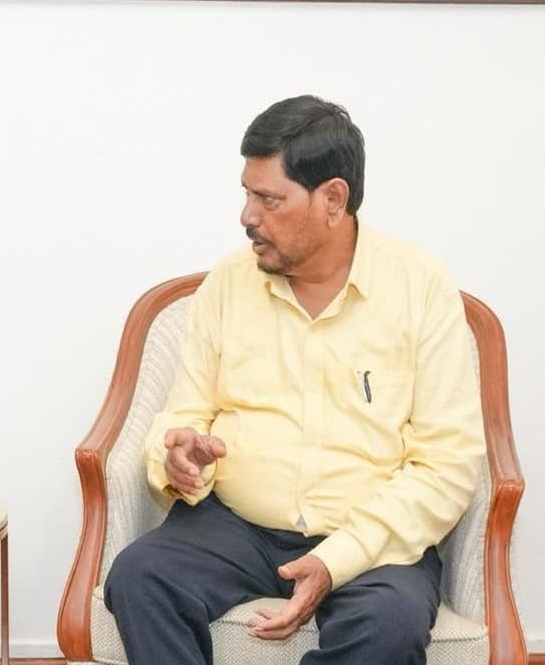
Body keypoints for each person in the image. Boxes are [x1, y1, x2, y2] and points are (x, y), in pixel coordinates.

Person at [104, 95, 484, 664]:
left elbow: (448, 464)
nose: (246, 216)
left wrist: (339, 558)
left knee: (389, 626)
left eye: (268, 198)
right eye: (246, 193)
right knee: (141, 576)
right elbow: (185, 413)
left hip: (370, 537)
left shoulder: (420, 287)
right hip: (234, 528)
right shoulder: (229, 283)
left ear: (333, 199)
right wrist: (178, 455)